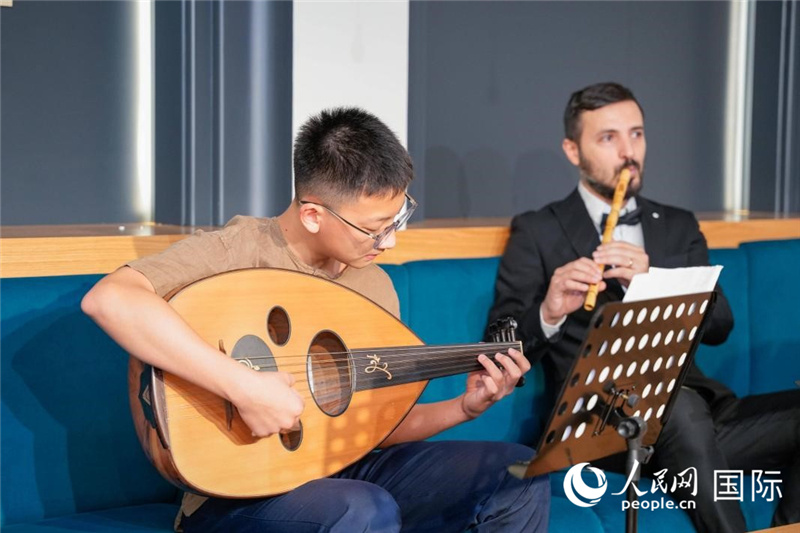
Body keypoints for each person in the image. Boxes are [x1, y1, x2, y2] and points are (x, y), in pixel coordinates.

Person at [82, 107, 549, 533]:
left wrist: (464, 408)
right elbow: (110, 299)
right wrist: (243, 387)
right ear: (311, 215)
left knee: (517, 474)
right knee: (361, 510)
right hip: (234, 493)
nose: (389, 242)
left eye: (397, 219)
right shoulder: (236, 251)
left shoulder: (373, 285)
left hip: (342, 471)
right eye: (374, 229)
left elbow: (374, 428)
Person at [486, 82, 799, 533]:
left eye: (636, 134)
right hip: (599, 427)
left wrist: (656, 281)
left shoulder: (677, 225)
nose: (628, 152)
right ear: (573, 151)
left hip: (701, 416)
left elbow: (721, 325)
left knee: (687, 409)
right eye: (608, 138)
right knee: (679, 409)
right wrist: (549, 312)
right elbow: (499, 342)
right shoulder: (539, 230)